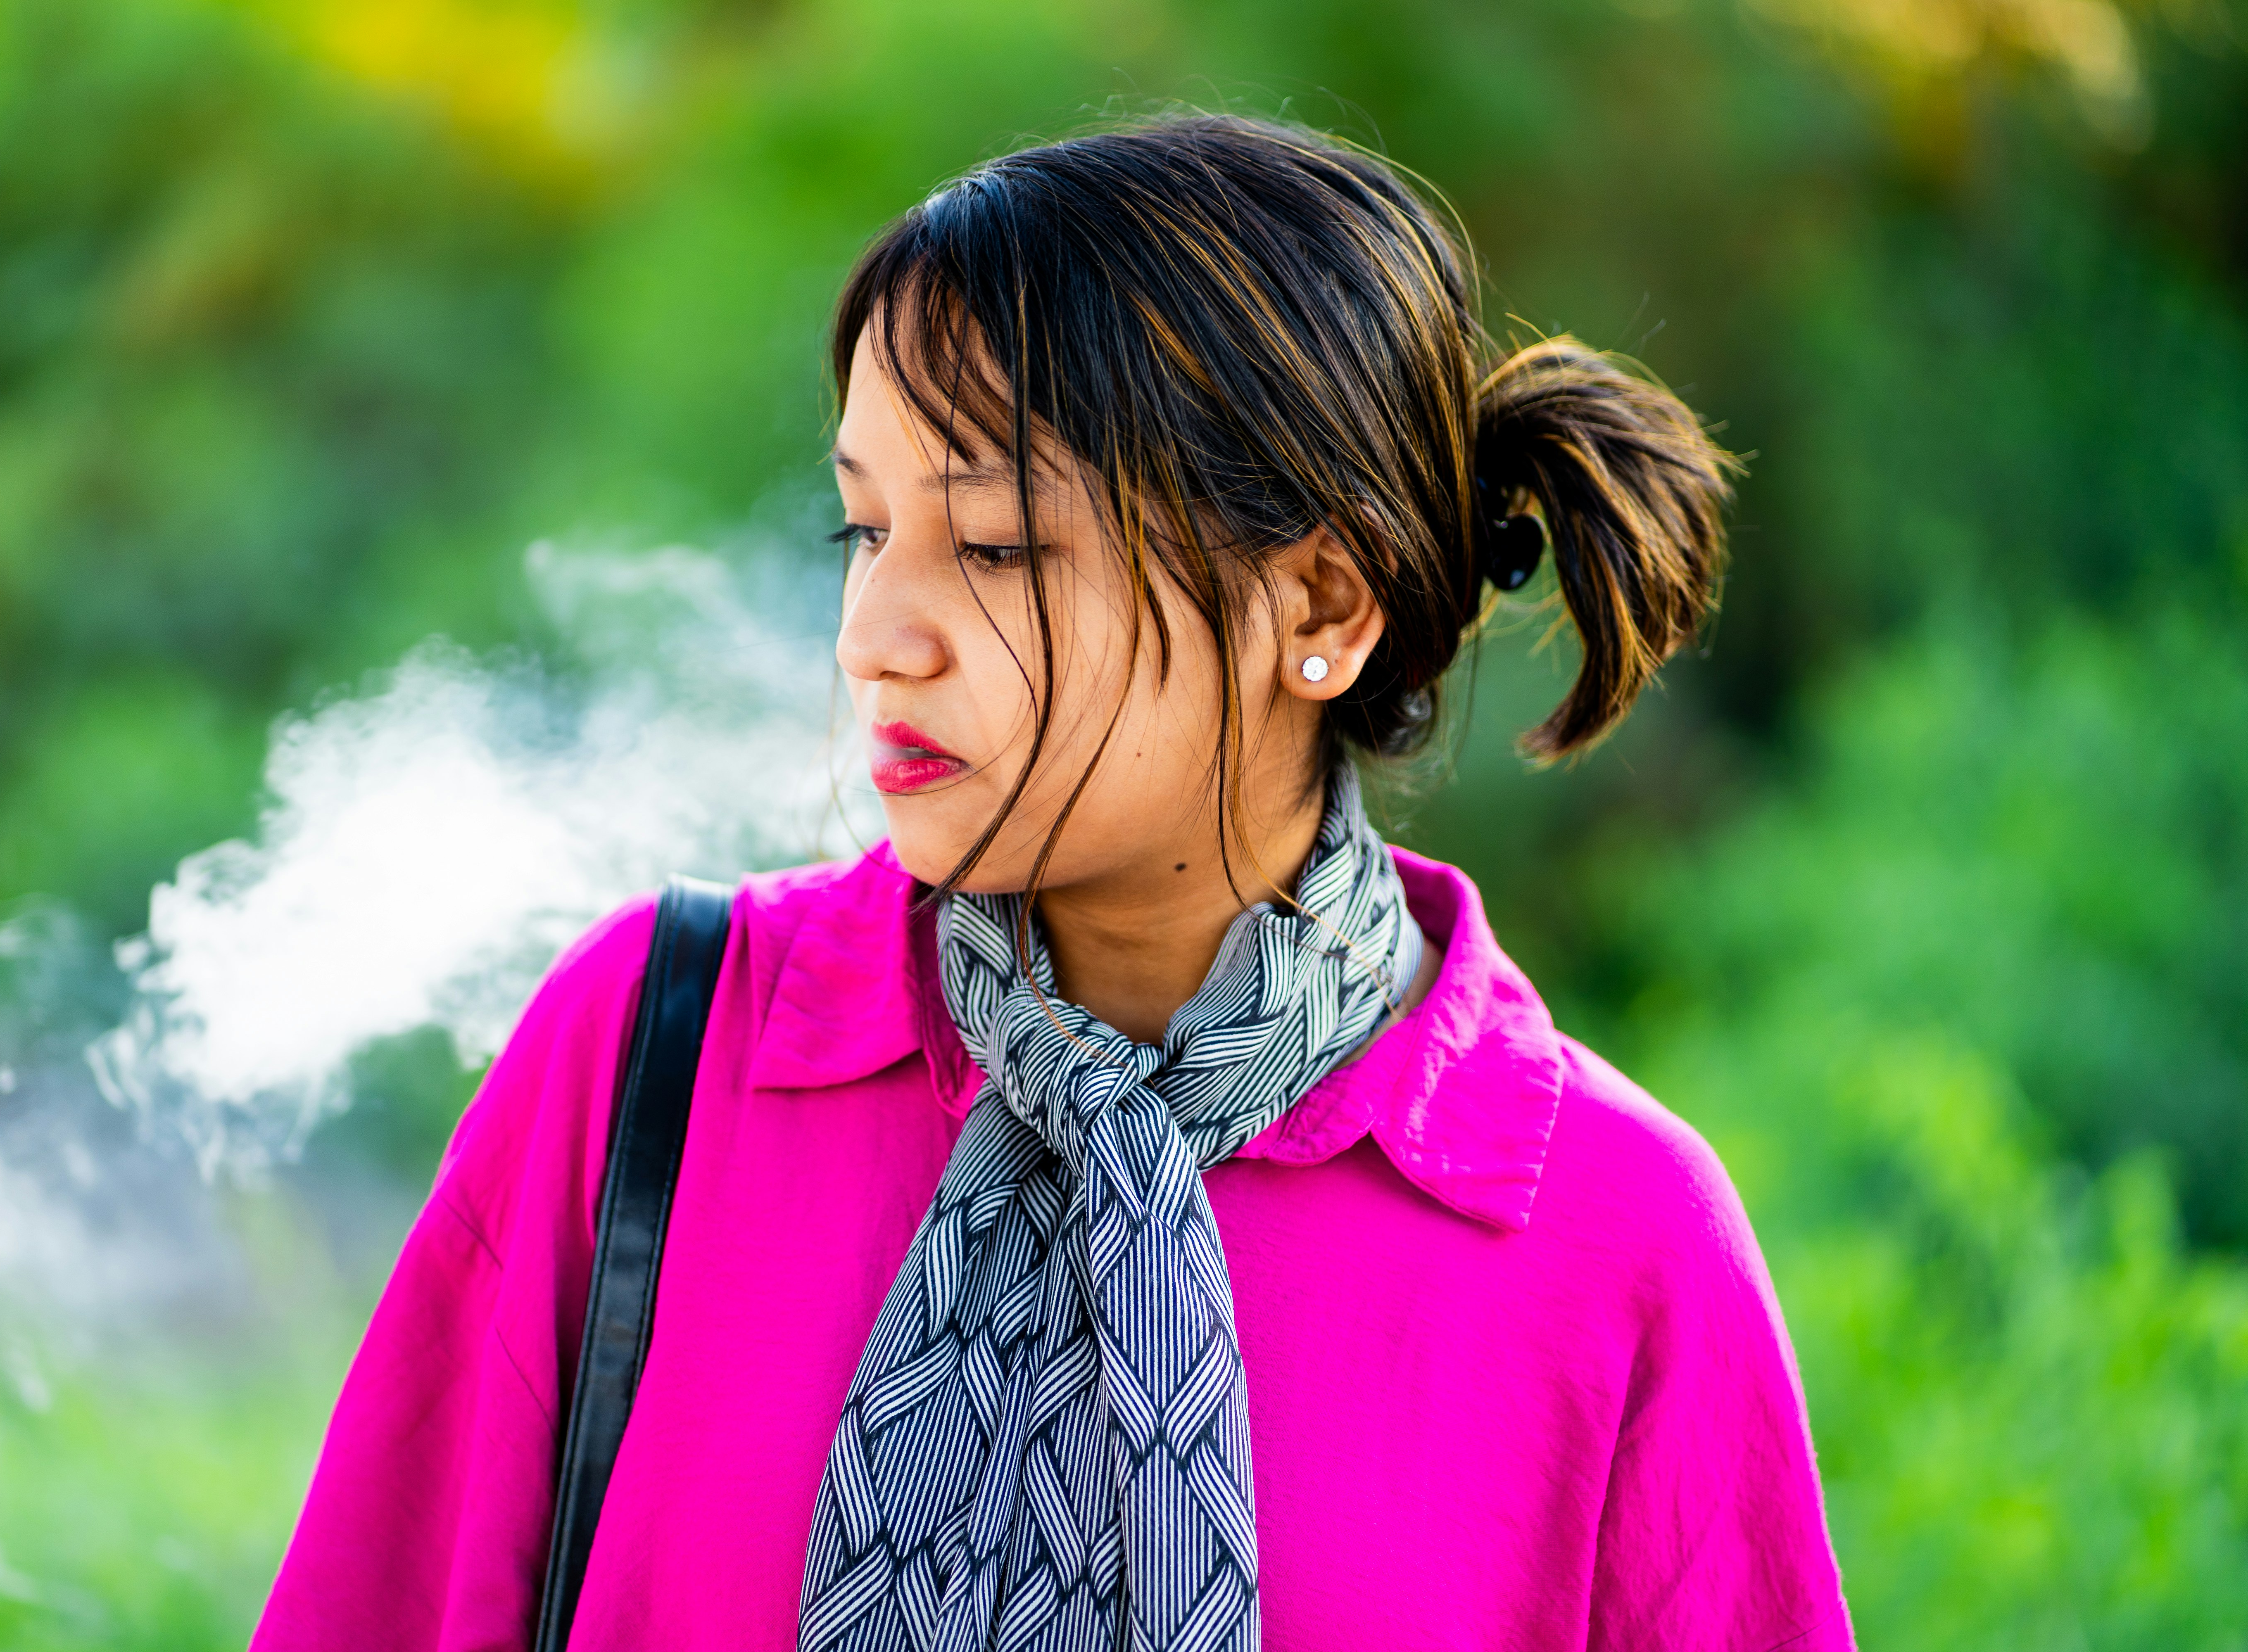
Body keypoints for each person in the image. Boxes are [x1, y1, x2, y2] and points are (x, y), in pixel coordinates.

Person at [251, 114, 1852, 1652]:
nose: (877, 634)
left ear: (1324, 601)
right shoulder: (660, 1051)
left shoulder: (1612, 1241)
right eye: (862, 529)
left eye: (999, 547)